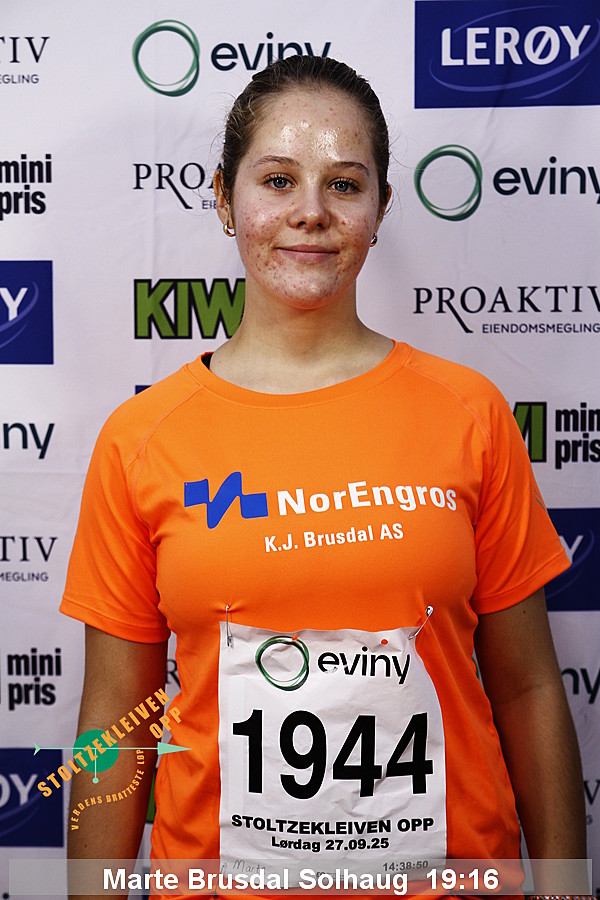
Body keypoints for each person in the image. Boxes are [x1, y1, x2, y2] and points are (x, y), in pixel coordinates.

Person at [61, 54, 586, 897]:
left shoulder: (470, 413)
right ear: (224, 199)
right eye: (278, 180)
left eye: (345, 184)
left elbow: (526, 687)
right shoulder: (142, 439)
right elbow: (116, 723)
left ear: (380, 210)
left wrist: (566, 887)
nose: (311, 212)